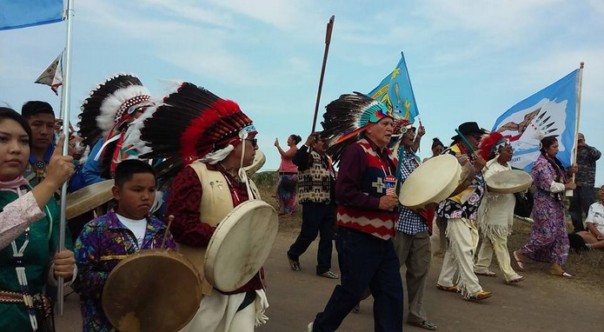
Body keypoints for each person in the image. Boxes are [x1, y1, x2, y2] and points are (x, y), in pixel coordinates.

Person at [137, 82, 269, 331]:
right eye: (252, 141)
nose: (256, 148)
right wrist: (229, 238)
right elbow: (181, 226)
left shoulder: (245, 181)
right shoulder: (194, 175)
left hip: (244, 280)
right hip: (205, 284)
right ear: (233, 144)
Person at [310, 92, 403, 332]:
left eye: (392, 124)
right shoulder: (357, 152)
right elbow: (343, 192)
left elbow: (389, 193)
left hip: (384, 239)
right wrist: (377, 204)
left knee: (391, 296)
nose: (390, 128)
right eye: (384, 124)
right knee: (351, 291)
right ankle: (320, 328)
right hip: (358, 236)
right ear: (369, 128)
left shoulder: (388, 158)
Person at [72, 159, 175, 331]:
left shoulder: (161, 230)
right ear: (117, 192)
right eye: (137, 190)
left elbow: (171, 275)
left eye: (151, 190)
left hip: (148, 324)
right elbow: (80, 280)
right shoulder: (95, 230)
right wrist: (126, 279)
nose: (146, 196)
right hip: (104, 324)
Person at [0, 107, 76, 332]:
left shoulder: (45, 200)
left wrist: (61, 269)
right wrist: (50, 183)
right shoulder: (43, 193)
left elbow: (58, 253)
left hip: (34, 319)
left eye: (23, 141)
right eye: (3, 139)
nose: (15, 149)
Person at [436, 121, 491, 301]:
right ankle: (472, 288)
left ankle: (445, 280)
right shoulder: (451, 154)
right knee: (465, 247)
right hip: (455, 207)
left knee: (457, 247)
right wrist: (477, 168)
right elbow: (456, 181)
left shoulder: (469, 153)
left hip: (467, 210)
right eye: (476, 138)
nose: (478, 141)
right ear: (466, 137)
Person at [394, 124, 438, 330]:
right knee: (387, 269)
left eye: (413, 132)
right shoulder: (394, 158)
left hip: (419, 223)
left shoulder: (416, 160)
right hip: (400, 222)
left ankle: (415, 313)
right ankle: (356, 295)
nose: (411, 135)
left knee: (420, 270)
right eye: (409, 132)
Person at [513, 135, 576, 278]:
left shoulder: (553, 163)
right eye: (554, 146)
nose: (557, 149)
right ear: (546, 148)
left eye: (557, 146)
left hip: (556, 203)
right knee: (547, 234)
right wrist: (567, 186)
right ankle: (522, 252)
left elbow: (558, 179)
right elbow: (550, 185)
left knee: (561, 235)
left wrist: (569, 173)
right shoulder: (541, 164)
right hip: (544, 203)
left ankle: (556, 264)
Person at [473, 132, 524, 284]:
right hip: (494, 211)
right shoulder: (491, 168)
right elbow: (487, 186)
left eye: (511, 150)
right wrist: (504, 187)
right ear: (498, 151)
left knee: (490, 239)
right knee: (500, 240)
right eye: (508, 150)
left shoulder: (508, 166)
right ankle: (509, 273)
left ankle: (481, 266)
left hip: (504, 209)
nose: (511, 152)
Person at [286, 132, 338, 279]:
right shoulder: (308, 156)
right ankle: (293, 253)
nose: (325, 143)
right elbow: (297, 160)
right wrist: (306, 144)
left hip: (328, 202)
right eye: (322, 141)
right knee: (309, 233)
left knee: (327, 236)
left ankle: (323, 267)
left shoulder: (327, 159)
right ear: (314, 143)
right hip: (312, 201)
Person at [568, 133, 601, 232]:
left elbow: (598, 155)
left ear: (584, 140)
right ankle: (578, 228)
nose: (579, 142)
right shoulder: (573, 152)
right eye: (577, 141)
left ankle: (590, 229)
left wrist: (585, 145)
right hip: (574, 184)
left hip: (587, 184)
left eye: (581, 140)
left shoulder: (590, 150)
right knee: (574, 208)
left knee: (588, 208)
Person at [21, 101, 57, 187]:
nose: (44, 132)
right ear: (23, 126)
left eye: (50, 126)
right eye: (37, 124)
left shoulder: (64, 161)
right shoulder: (11, 159)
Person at [274, 134, 301, 216]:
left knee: (286, 192)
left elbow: (285, 156)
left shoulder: (295, 149)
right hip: (286, 173)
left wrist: (278, 146)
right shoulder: (291, 149)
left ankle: (288, 210)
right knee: (283, 192)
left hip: (290, 174)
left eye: (289, 139)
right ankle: (285, 210)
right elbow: (286, 160)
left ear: (293, 141)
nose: (287, 141)